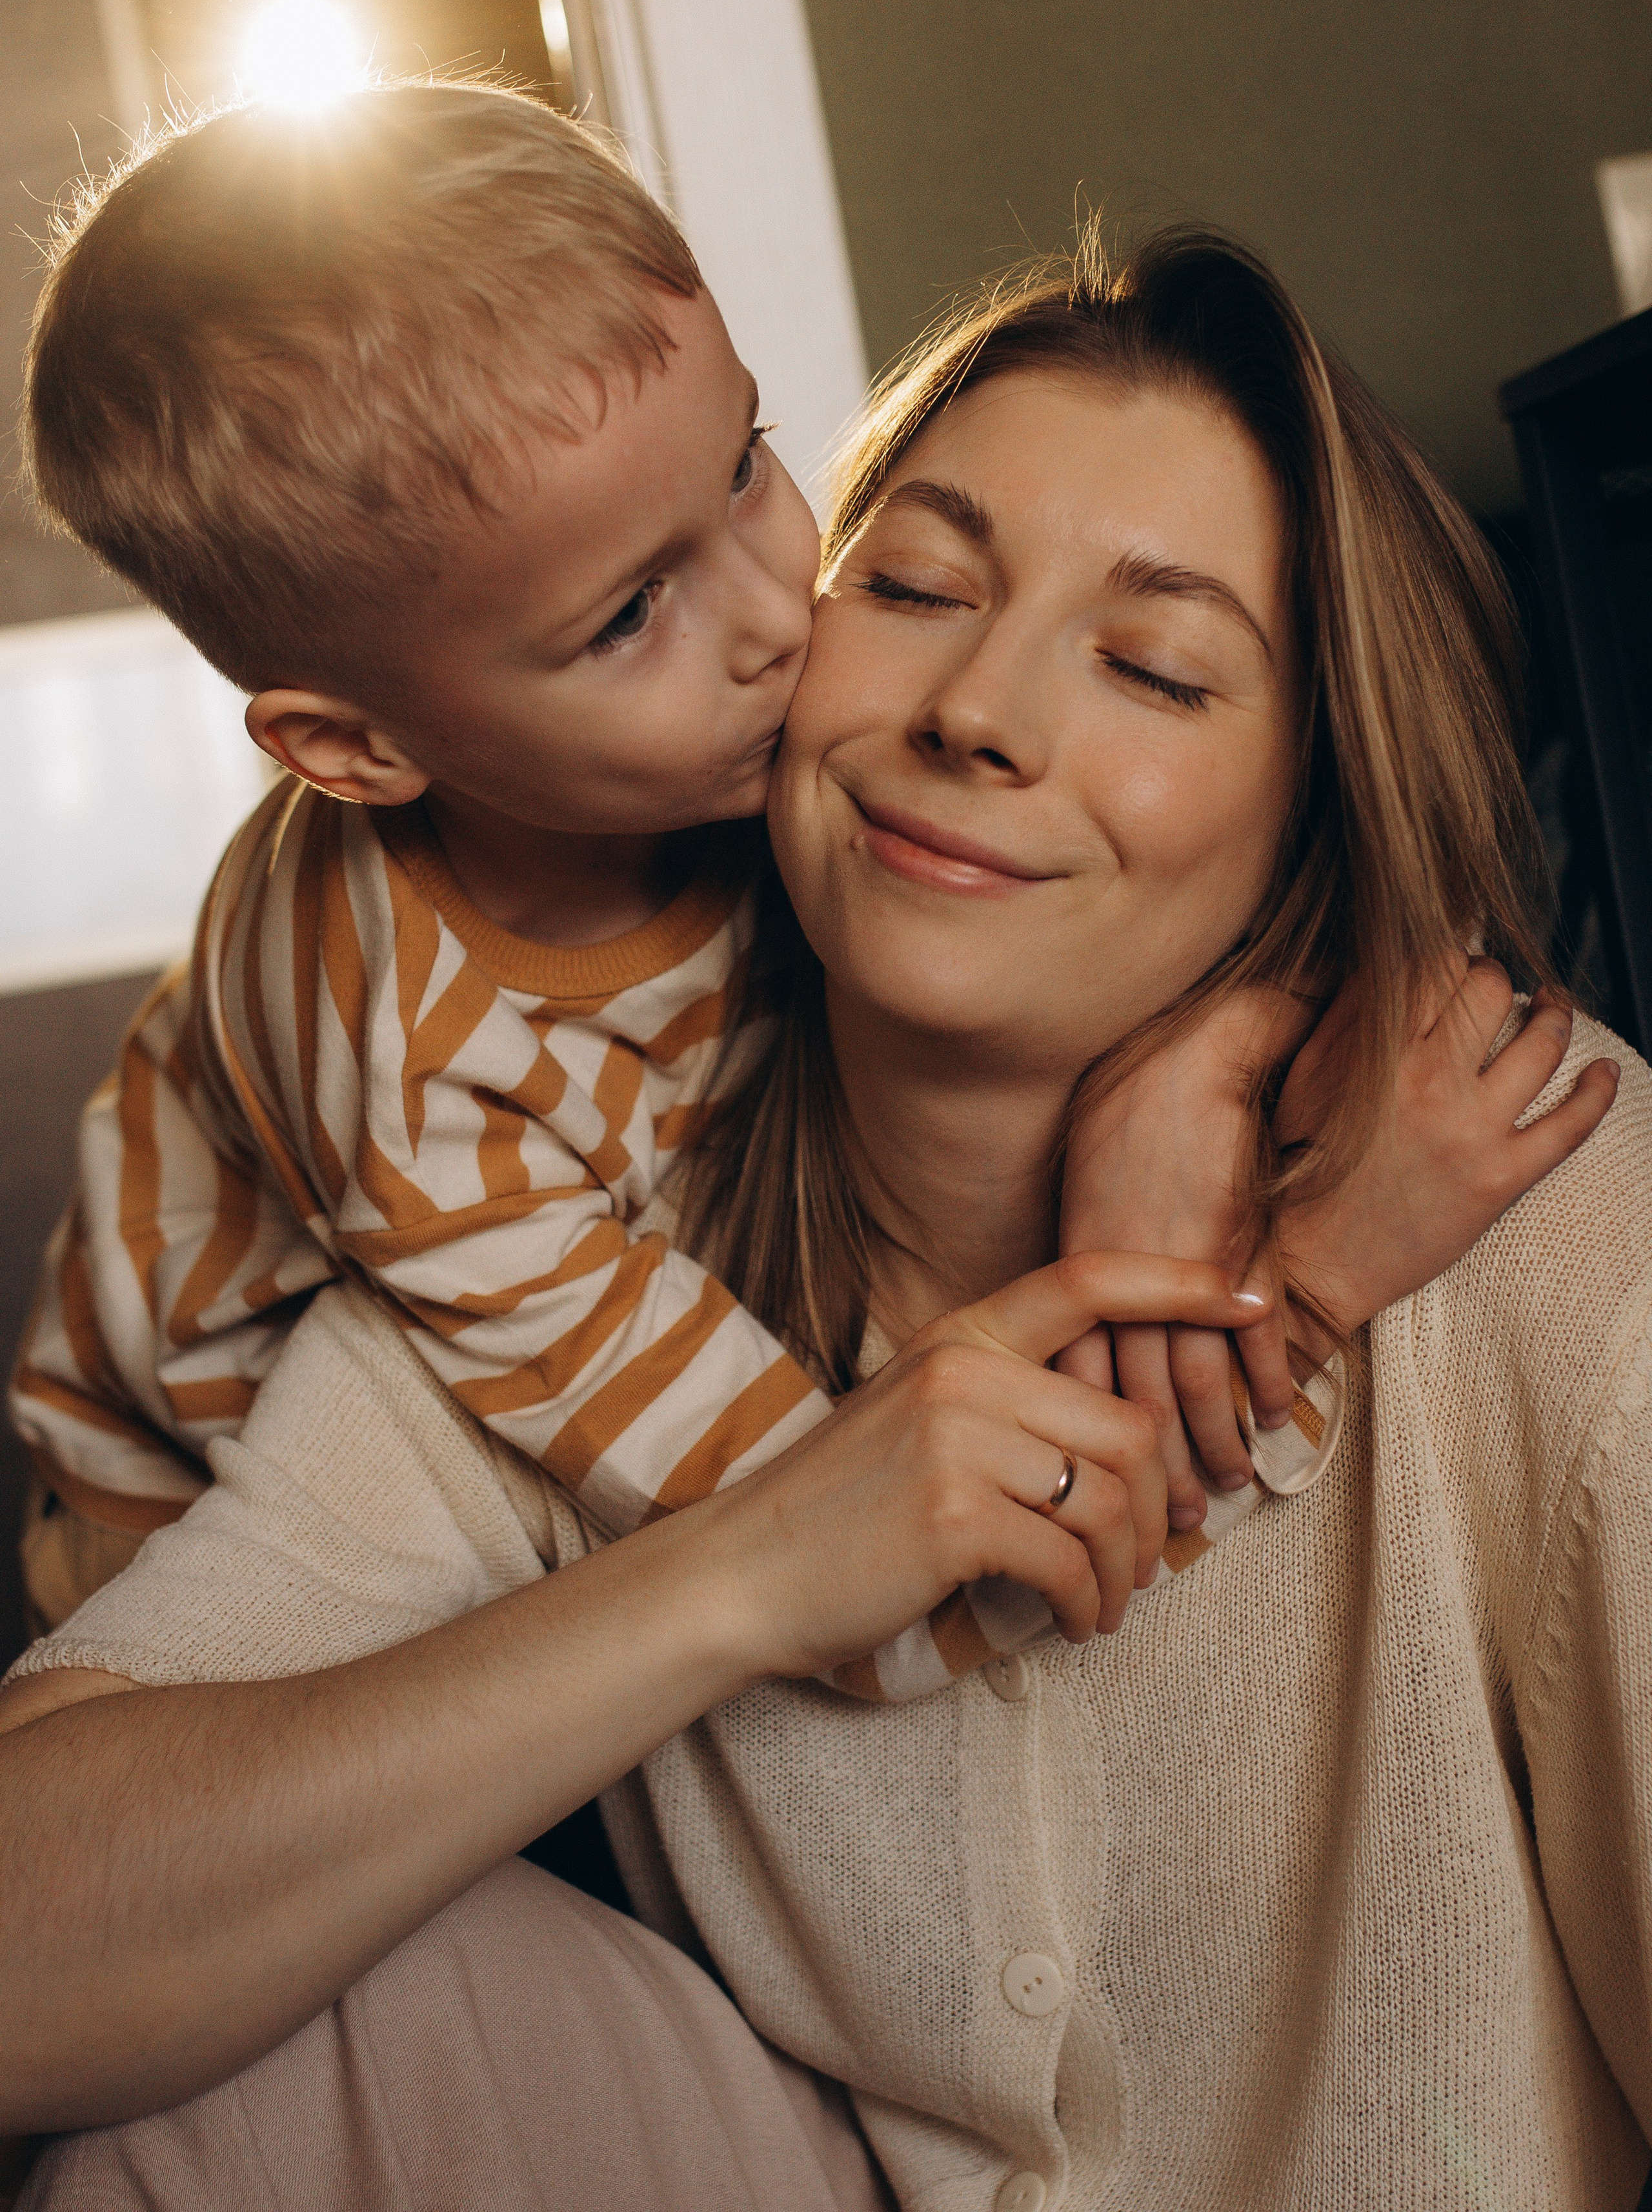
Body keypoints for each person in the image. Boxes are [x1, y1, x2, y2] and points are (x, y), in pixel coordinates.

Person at [1, 225, 1634, 2209]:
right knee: (233, 2022)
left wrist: (1263, 1265)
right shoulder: (533, 1233)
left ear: (1316, 800)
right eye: (923, 584)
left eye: (1156, 665)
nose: (978, 709)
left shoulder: (1533, 1195)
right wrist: (747, 1570)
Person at [12, 79, 1286, 1694]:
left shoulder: (699, 738)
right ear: (356, 748)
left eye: (746, 465)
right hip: (169, 1496)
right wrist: (1302, 1293)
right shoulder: (424, 1095)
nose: (775, 612)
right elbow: (863, 1587)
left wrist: (1213, 1052)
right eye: (629, 616)